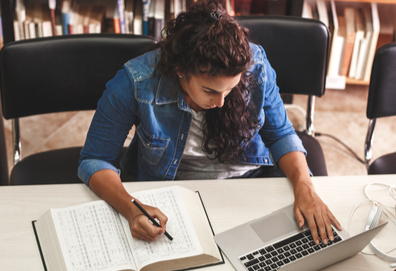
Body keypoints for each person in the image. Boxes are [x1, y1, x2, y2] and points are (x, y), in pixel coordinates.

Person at [78, 0, 341, 245]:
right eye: (209, 91)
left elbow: (280, 134)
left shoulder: (256, 65)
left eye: (230, 89)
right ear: (181, 71)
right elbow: (95, 160)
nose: (221, 102)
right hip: (172, 193)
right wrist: (131, 208)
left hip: (250, 182)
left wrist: (305, 187)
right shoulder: (136, 81)